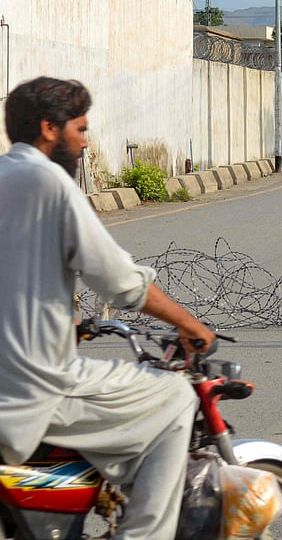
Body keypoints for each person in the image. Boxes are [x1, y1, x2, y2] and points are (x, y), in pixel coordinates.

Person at [0, 77, 216, 540]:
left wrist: (64, 320)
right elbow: (119, 280)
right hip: (37, 386)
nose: (85, 141)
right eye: (80, 128)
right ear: (48, 129)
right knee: (176, 396)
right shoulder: (49, 182)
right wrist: (188, 322)